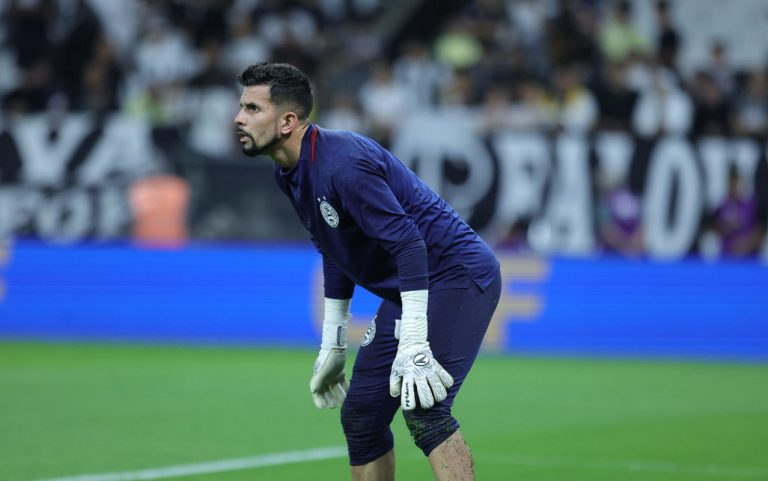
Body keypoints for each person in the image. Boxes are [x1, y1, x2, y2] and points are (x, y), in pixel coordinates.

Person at [234, 62, 501, 481]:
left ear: (287, 121)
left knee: (424, 406)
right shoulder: (287, 170)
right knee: (361, 413)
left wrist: (413, 338)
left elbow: (410, 243)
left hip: (456, 274)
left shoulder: (343, 164)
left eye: (252, 108)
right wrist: (334, 343)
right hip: (413, 287)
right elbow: (333, 246)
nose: (238, 118)